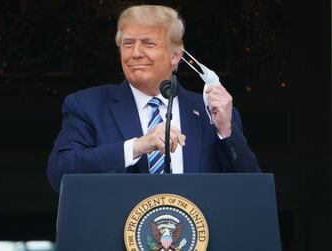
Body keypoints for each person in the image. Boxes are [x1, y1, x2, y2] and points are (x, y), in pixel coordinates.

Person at [47, 5, 261, 192]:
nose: (136, 53)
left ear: (175, 55)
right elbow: (60, 172)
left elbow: (251, 190)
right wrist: (136, 147)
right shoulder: (87, 106)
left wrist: (226, 132)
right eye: (128, 44)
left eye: (148, 44)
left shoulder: (212, 112)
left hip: (197, 236)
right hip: (117, 236)